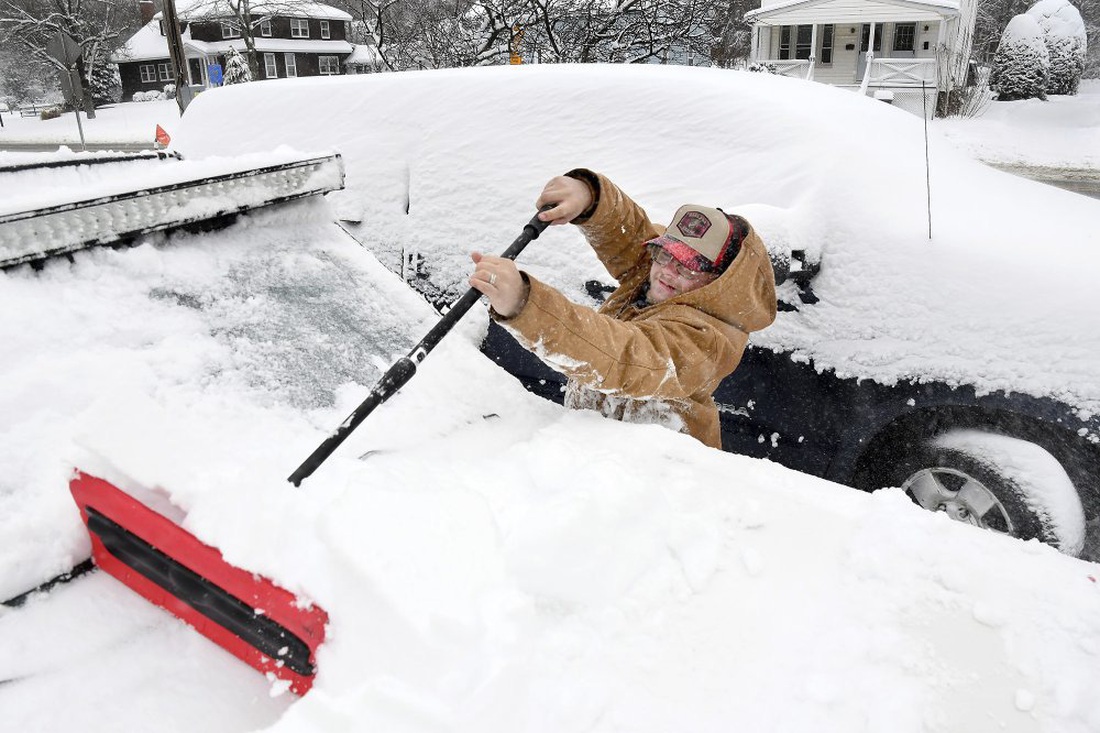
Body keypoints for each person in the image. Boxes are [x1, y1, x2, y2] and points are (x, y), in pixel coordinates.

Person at [469, 169, 777, 449]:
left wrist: (526, 303)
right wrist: (589, 198)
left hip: (660, 485)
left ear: (716, 281)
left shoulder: (705, 340)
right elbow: (627, 233)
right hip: (595, 461)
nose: (667, 272)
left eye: (688, 267)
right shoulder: (657, 277)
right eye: (665, 254)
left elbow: (625, 356)